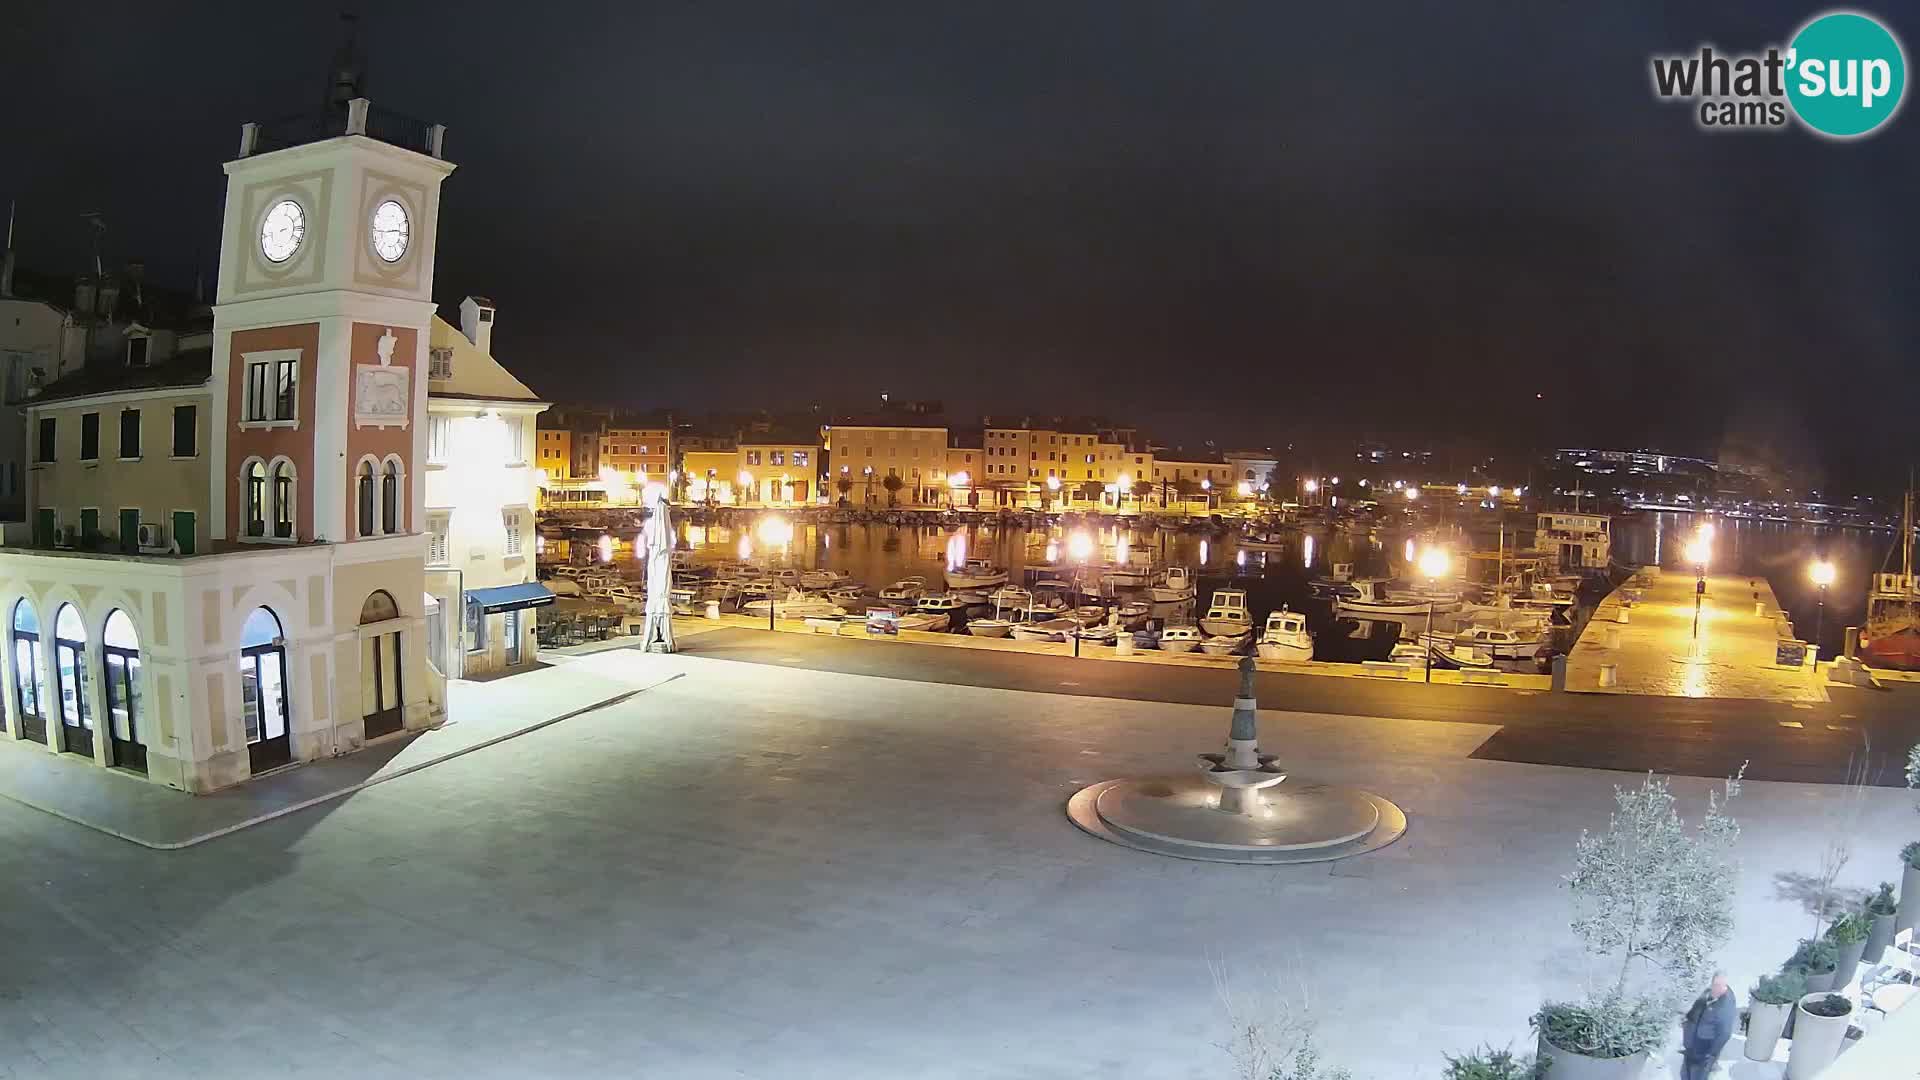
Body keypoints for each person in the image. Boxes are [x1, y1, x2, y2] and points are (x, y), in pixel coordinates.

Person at [1680, 974, 1737, 1080]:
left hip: (1704, 1051)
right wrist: (1686, 1020)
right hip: (1690, 1046)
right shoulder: (1707, 994)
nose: (1716, 988)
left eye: (1719, 985)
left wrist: (1712, 1053)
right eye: (1714, 984)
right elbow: (1694, 1011)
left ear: (1725, 986)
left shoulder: (1726, 1004)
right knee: (1684, 1075)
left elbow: (1725, 1033)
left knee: (1697, 1076)